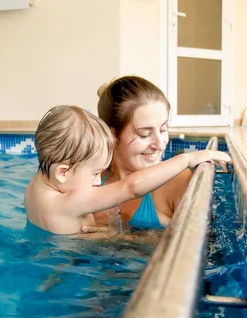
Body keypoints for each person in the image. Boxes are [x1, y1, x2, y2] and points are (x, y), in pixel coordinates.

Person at [24, 105, 231, 235]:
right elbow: (129, 187)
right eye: (95, 173)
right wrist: (186, 159)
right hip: (79, 265)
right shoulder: (70, 203)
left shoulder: (36, 186)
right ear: (63, 172)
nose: (98, 181)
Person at [84, 75, 225, 231]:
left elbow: (203, 249)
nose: (160, 144)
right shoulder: (89, 179)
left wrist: (119, 239)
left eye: (163, 129)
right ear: (112, 135)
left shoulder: (178, 183)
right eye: (144, 134)